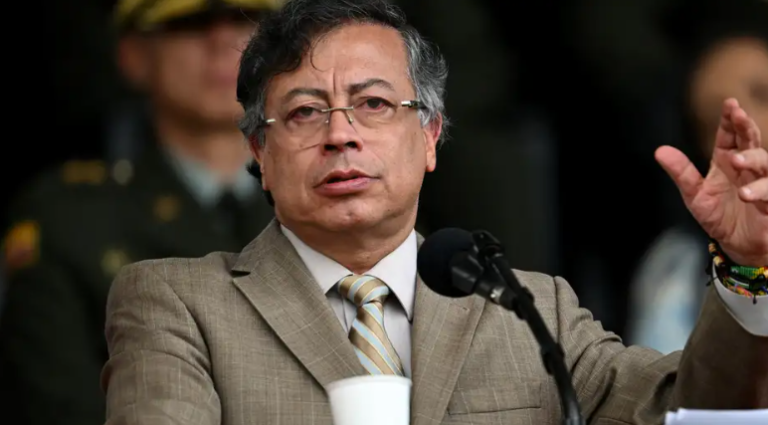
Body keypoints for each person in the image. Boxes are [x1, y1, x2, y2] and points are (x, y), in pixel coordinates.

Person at [101, 0, 768, 424]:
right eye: (305, 112)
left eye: (373, 104)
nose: (341, 135)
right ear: (261, 152)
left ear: (429, 137)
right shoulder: (178, 304)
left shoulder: (529, 308)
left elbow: (691, 412)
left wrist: (745, 268)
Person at [0, 1, 279, 424]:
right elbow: (54, 404)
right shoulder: (69, 219)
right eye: (190, 23)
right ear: (134, 55)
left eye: (246, 18)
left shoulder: (343, 202)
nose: (223, 41)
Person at [626, 0, 768, 353]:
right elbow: (678, 384)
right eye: (716, 119)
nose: (746, 125)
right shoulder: (675, 267)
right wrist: (749, 269)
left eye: (763, 95)